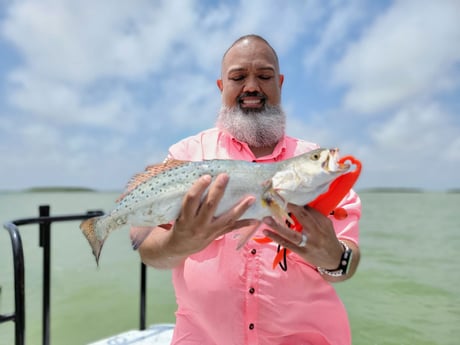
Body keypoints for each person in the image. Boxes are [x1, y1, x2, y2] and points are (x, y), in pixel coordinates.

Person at [132, 34, 361, 345]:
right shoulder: (186, 155)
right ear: (221, 86)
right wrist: (178, 242)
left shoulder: (316, 168)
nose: (251, 86)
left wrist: (334, 257)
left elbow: (349, 260)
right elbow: (147, 248)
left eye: (264, 76)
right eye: (238, 77)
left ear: (280, 83)